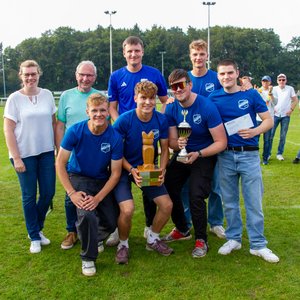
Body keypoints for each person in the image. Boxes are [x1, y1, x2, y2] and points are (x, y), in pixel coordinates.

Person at [210, 59, 279, 263]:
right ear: (218, 76)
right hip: (225, 156)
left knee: (253, 202)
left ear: (237, 73)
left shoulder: (250, 94)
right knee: (229, 201)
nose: (226, 77)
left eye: (230, 73)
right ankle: (234, 238)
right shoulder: (213, 97)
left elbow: (269, 120)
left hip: (249, 155)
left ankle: (258, 244)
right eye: (222, 74)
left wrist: (254, 131)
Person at [107, 36, 169, 246]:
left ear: (142, 51)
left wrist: (157, 120)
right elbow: (112, 106)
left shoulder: (154, 74)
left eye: (137, 50)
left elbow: (164, 101)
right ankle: (118, 234)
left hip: (147, 143)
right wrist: (126, 126)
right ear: (124, 53)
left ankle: (151, 232)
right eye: (129, 51)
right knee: (125, 205)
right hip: (125, 139)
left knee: (158, 200)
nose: (133, 54)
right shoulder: (116, 76)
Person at [56, 93, 123, 276]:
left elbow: (116, 173)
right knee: (86, 215)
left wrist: (99, 198)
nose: (99, 114)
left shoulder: (114, 136)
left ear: (108, 112)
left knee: (111, 222)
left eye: (103, 110)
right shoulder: (75, 131)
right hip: (79, 177)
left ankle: (94, 237)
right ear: (87, 112)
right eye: (94, 110)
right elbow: (60, 163)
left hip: (102, 179)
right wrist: (72, 193)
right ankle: (88, 258)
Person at [163, 69, 227, 258]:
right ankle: (182, 228)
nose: (178, 89)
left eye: (182, 84)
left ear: (190, 84)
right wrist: (178, 144)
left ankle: (201, 239)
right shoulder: (171, 107)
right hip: (183, 155)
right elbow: (173, 142)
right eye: (174, 87)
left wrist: (198, 153)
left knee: (196, 194)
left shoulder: (206, 106)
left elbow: (221, 142)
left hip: (203, 154)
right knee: (168, 185)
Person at [112, 80, 174, 264]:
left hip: (148, 169)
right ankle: (123, 244)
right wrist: (131, 169)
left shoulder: (161, 119)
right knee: (128, 209)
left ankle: (153, 239)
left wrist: (162, 170)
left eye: (151, 98)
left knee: (167, 205)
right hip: (125, 169)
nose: (147, 102)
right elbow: (116, 153)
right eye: (143, 98)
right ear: (135, 98)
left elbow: (164, 148)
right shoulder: (124, 120)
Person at [3, 60, 56, 254]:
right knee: (29, 196)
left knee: (48, 193)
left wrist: (57, 149)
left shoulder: (48, 95)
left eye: (33, 74)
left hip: (46, 153)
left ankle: (37, 226)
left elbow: (53, 122)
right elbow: (8, 130)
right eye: (27, 74)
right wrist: (16, 158)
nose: (30, 77)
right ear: (21, 76)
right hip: (24, 155)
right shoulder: (14, 99)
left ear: (39, 74)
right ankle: (34, 236)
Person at [55, 60, 100, 250]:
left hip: (93, 156)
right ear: (76, 75)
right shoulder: (66, 96)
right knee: (69, 195)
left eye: (89, 75)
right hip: (70, 154)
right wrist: (59, 150)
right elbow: (60, 125)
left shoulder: (98, 96)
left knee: (93, 193)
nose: (85, 78)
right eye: (82, 74)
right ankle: (71, 231)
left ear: (95, 77)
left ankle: (93, 231)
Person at [186, 39, 225, 239]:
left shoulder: (216, 78)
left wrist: (244, 85)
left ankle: (216, 222)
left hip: (214, 140)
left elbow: (229, 90)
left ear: (207, 56)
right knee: (186, 186)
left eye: (202, 54)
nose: (199, 58)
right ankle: (186, 222)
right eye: (195, 54)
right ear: (190, 56)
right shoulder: (185, 78)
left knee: (217, 184)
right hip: (189, 142)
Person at [269, 73, 298, 161]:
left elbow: (295, 100)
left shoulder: (290, 89)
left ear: (286, 80)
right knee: (271, 135)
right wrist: (271, 109)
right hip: (275, 115)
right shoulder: (273, 88)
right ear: (277, 81)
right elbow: (270, 99)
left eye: (283, 80)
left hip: (286, 115)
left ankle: (279, 153)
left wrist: (291, 110)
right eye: (280, 80)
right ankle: (268, 153)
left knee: (283, 136)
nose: (281, 81)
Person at [255, 75, 277, 165]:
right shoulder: (257, 91)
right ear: (261, 82)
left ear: (270, 82)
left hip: (269, 118)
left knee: (267, 140)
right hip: (258, 118)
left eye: (267, 81)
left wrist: (271, 94)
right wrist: (256, 93)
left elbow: (275, 103)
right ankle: (255, 157)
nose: (265, 83)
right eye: (263, 81)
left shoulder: (273, 91)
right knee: (256, 139)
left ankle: (265, 158)